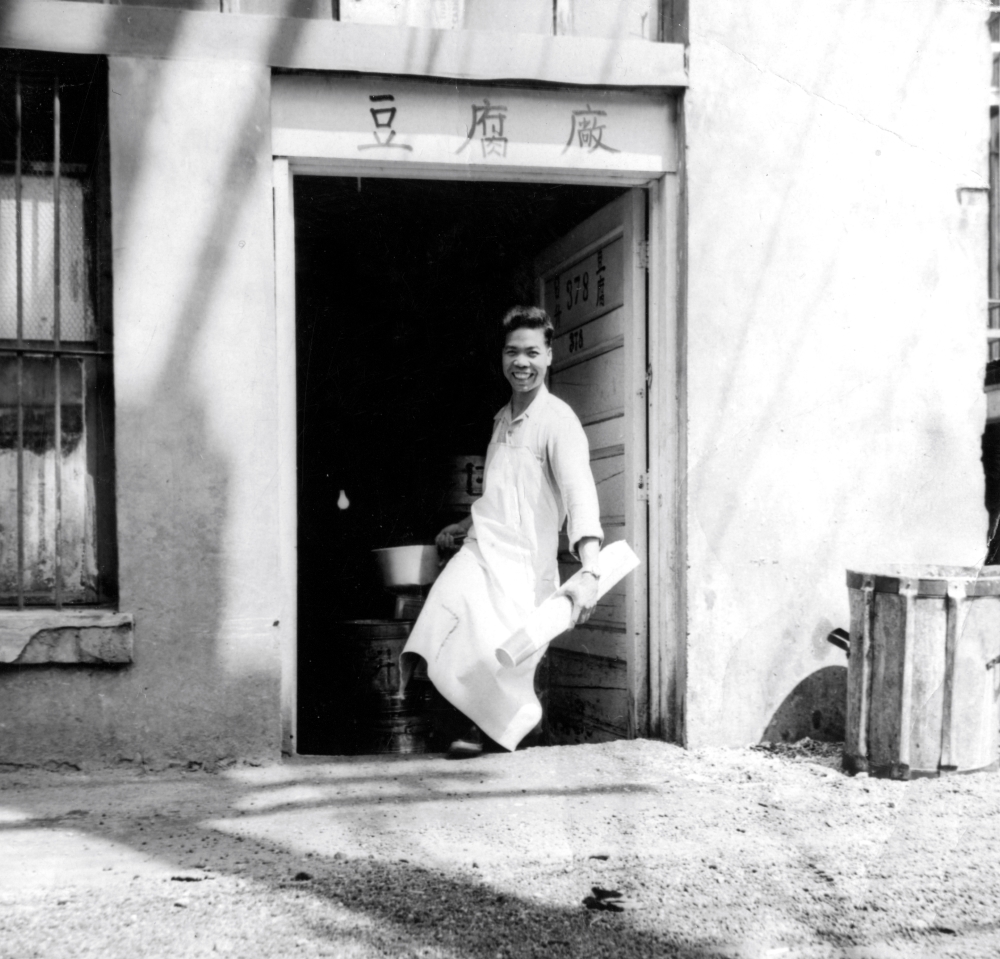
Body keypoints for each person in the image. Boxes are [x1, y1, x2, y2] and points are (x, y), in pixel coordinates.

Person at [400, 305, 603, 756]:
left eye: (532, 352)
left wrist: (590, 570)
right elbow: (500, 494)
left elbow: (580, 496)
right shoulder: (499, 420)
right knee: (442, 613)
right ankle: (462, 729)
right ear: (501, 356)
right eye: (512, 352)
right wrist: (465, 521)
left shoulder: (558, 422)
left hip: (525, 570)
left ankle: (505, 736)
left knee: (503, 663)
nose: (521, 363)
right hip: (482, 552)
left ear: (549, 355)